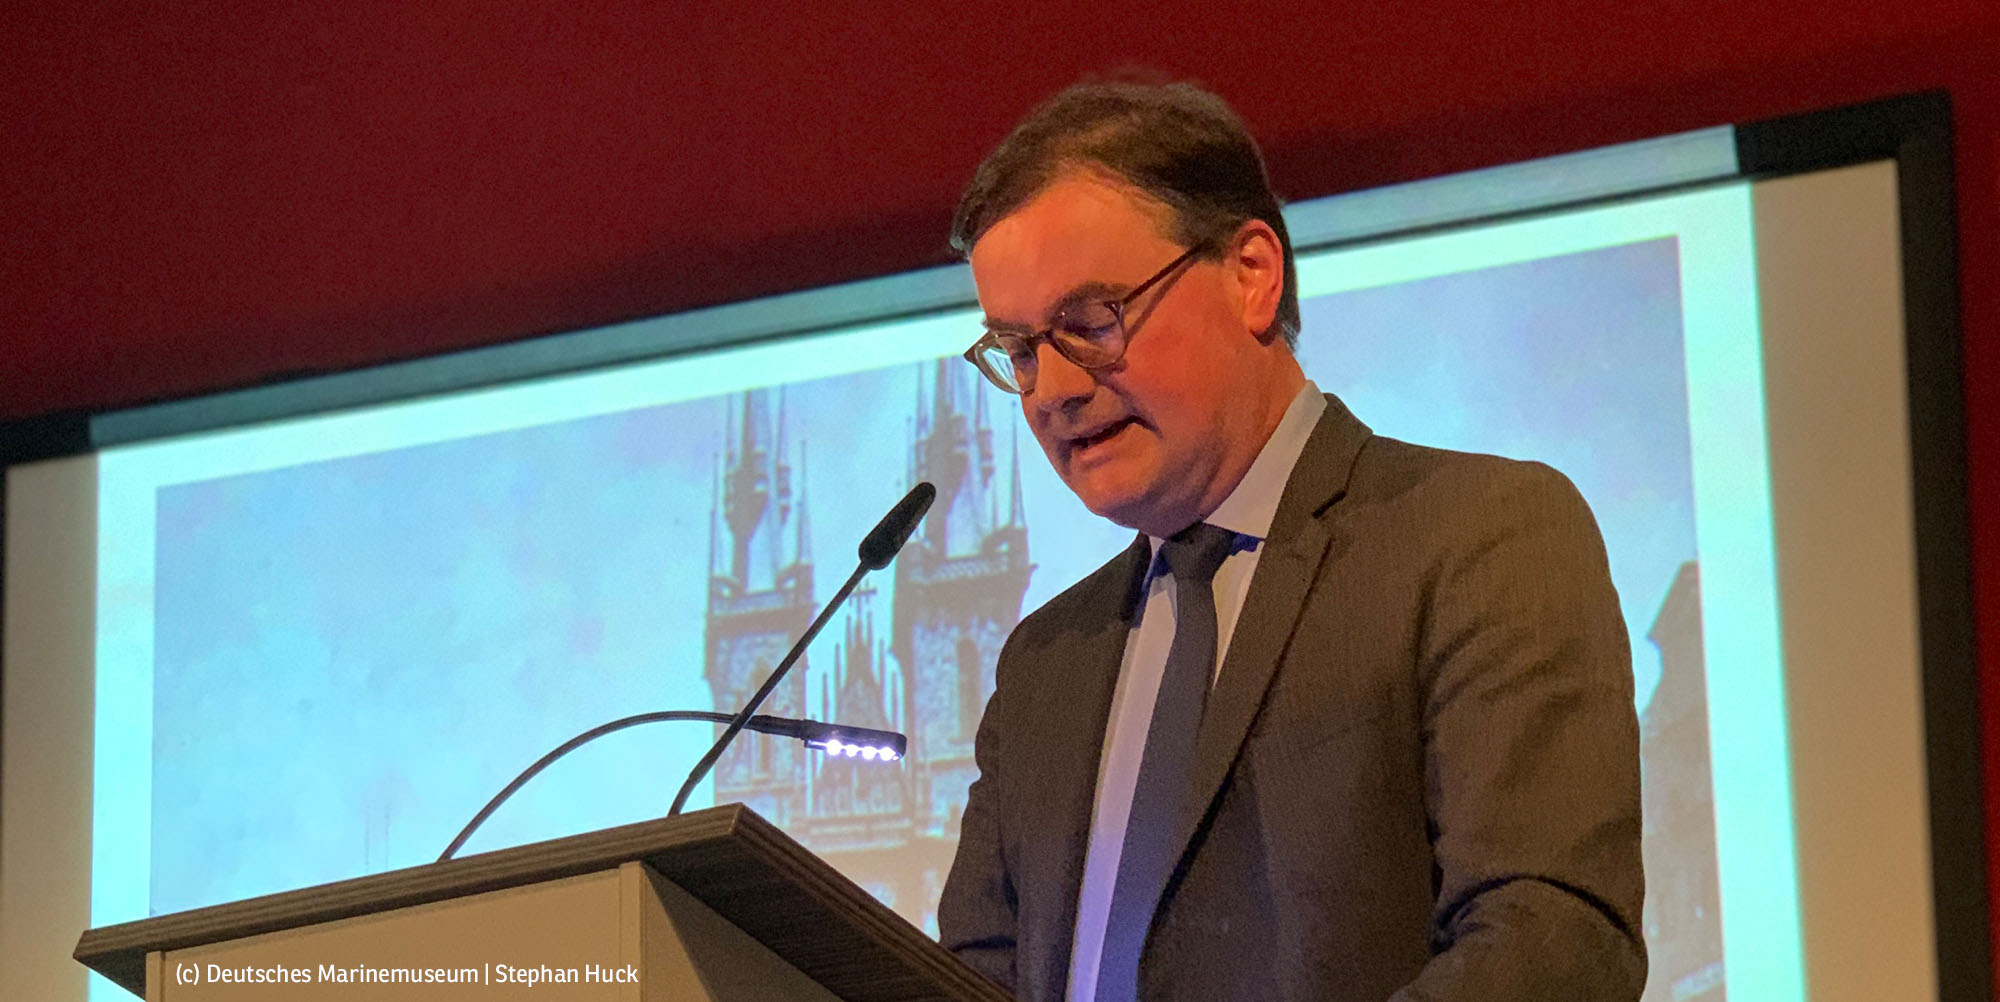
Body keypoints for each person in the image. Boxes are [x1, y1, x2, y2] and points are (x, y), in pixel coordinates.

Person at [935, 79, 1646, 1002]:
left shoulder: (1478, 536)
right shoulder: (1044, 664)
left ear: (1251, 276)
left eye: (1089, 322)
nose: (1052, 389)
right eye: (1021, 351)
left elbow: (1553, 943)